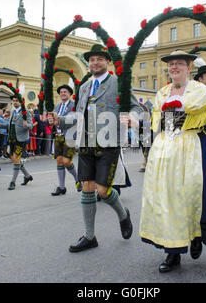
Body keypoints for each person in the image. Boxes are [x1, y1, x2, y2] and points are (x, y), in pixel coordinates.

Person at [139, 50, 206, 273]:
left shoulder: (200, 91)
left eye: (179, 64)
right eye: (171, 64)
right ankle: (172, 252)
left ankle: (195, 234)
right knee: (168, 197)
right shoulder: (162, 93)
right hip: (165, 149)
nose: (174, 67)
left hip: (192, 147)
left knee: (192, 196)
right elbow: (158, 125)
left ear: (188, 68)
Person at [48, 44, 142, 253]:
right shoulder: (83, 87)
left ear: (107, 62)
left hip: (108, 144)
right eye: (92, 60)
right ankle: (90, 236)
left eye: (99, 59)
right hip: (85, 144)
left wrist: (132, 117)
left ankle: (123, 214)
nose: (95, 63)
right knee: (87, 188)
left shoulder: (118, 82)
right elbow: (79, 117)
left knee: (103, 190)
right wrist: (60, 120)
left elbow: (136, 106)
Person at [48, 85, 82, 196]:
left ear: (69, 94)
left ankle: (78, 179)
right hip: (58, 136)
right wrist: (51, 121)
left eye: (65, 92)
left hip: (69, 136)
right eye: (61, 92)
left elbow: (75, 119)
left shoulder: (73, 105)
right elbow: (53, 120)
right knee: (59, 161)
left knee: (67, 161)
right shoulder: (57, 106)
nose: (62, 93)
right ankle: (61, 187)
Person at [0, 96, 33, 190]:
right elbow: (9, 125)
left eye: (17, 101)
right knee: (14, 159)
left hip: (21, 139)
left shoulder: (26, 112)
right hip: (12, 138)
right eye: (13, 101)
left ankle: (12, 182)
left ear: (21, 102)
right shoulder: (13, 112)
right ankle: (27, 176)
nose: (15, 102)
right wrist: (0, 125)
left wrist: (26, 125)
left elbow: (31, 125)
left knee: (16, 159)